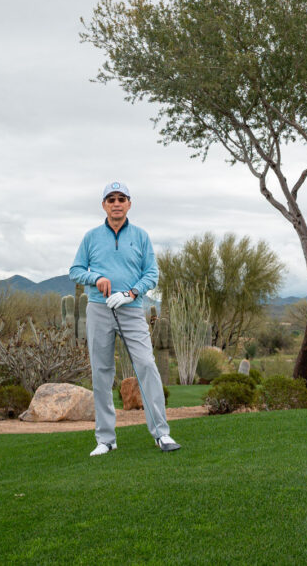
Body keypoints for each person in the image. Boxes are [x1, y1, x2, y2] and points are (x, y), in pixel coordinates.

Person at [69, 181, 181, 456]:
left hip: (131, 310)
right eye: (111, 199)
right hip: (99, 309)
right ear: (104, 205)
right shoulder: (91, 237)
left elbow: (151, 274)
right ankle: (106, 439)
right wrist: (96, 278)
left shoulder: (141, 236)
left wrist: (131, 293)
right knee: (101, 372)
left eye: (121, 199)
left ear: (129, 204)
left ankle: (161, 434)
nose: (116, 203)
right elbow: (76, 270)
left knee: (146, 365)